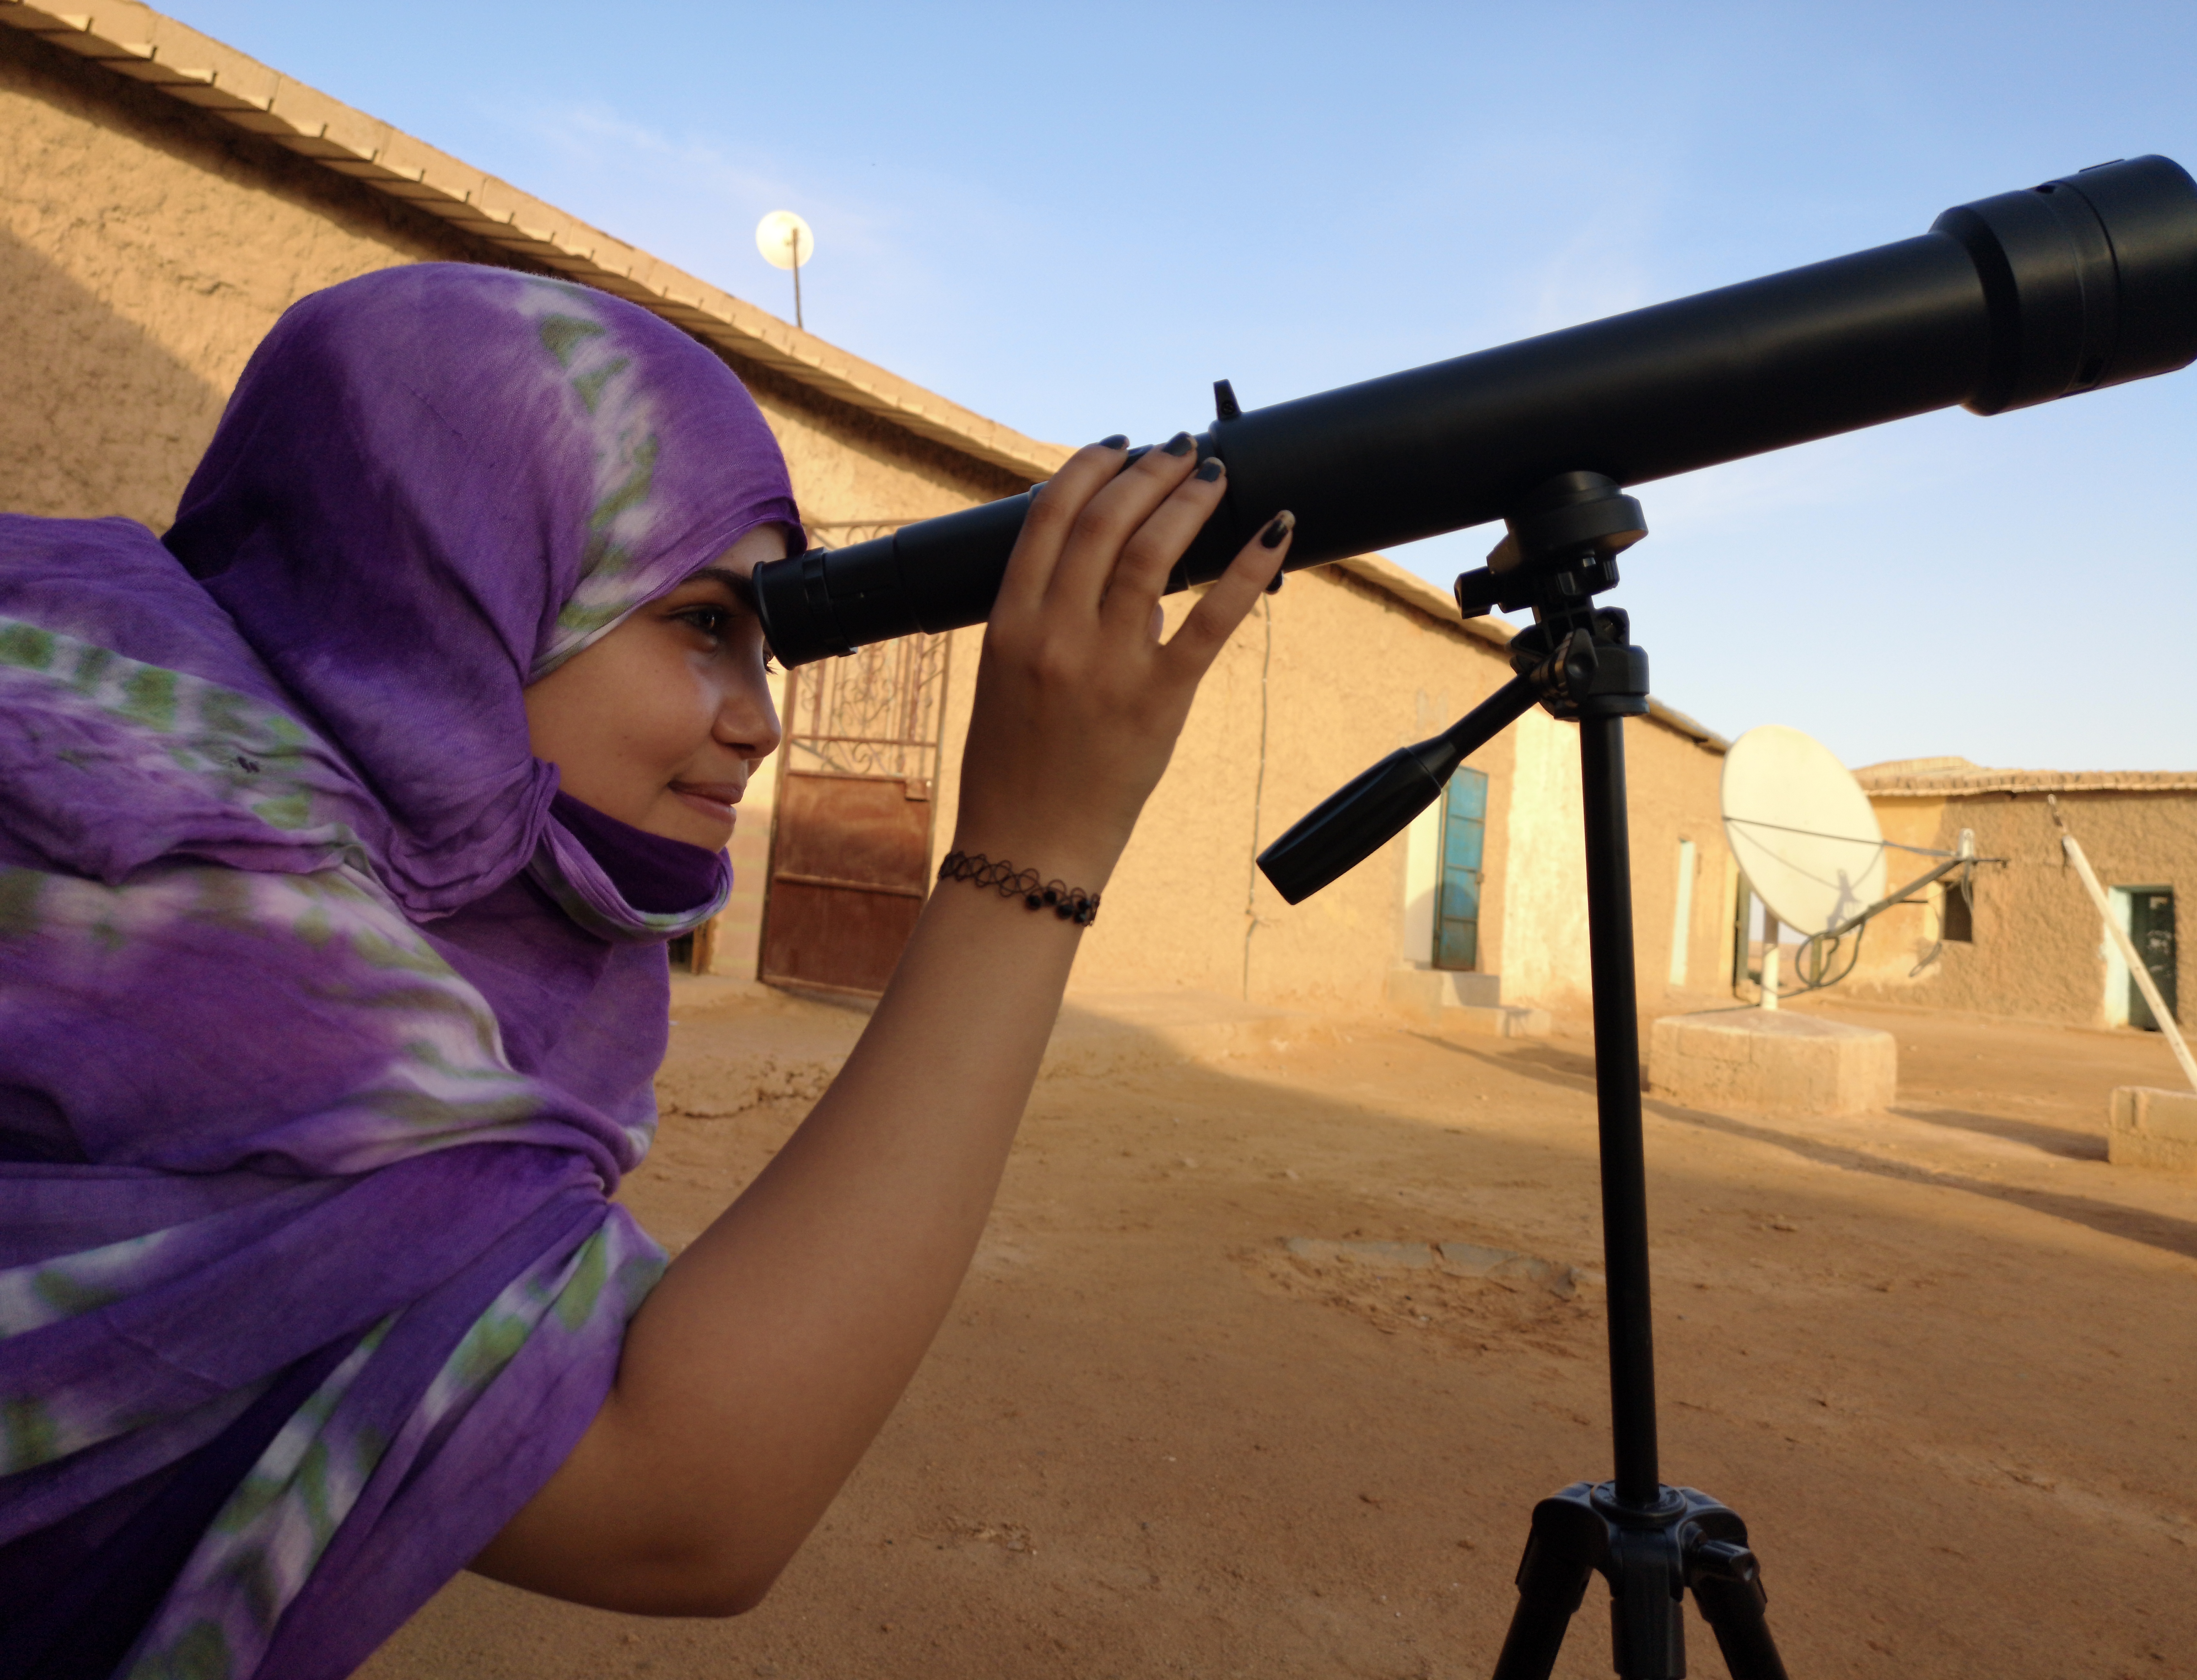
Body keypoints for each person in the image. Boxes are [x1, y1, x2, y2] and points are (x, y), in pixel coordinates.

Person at [0, 262, 1289, 1678]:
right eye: (703, 624)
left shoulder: (272, 815)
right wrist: (1038, 848)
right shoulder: (165, 893)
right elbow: (677, 1500)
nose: (761, 726)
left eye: (766, 644)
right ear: (451, 586)